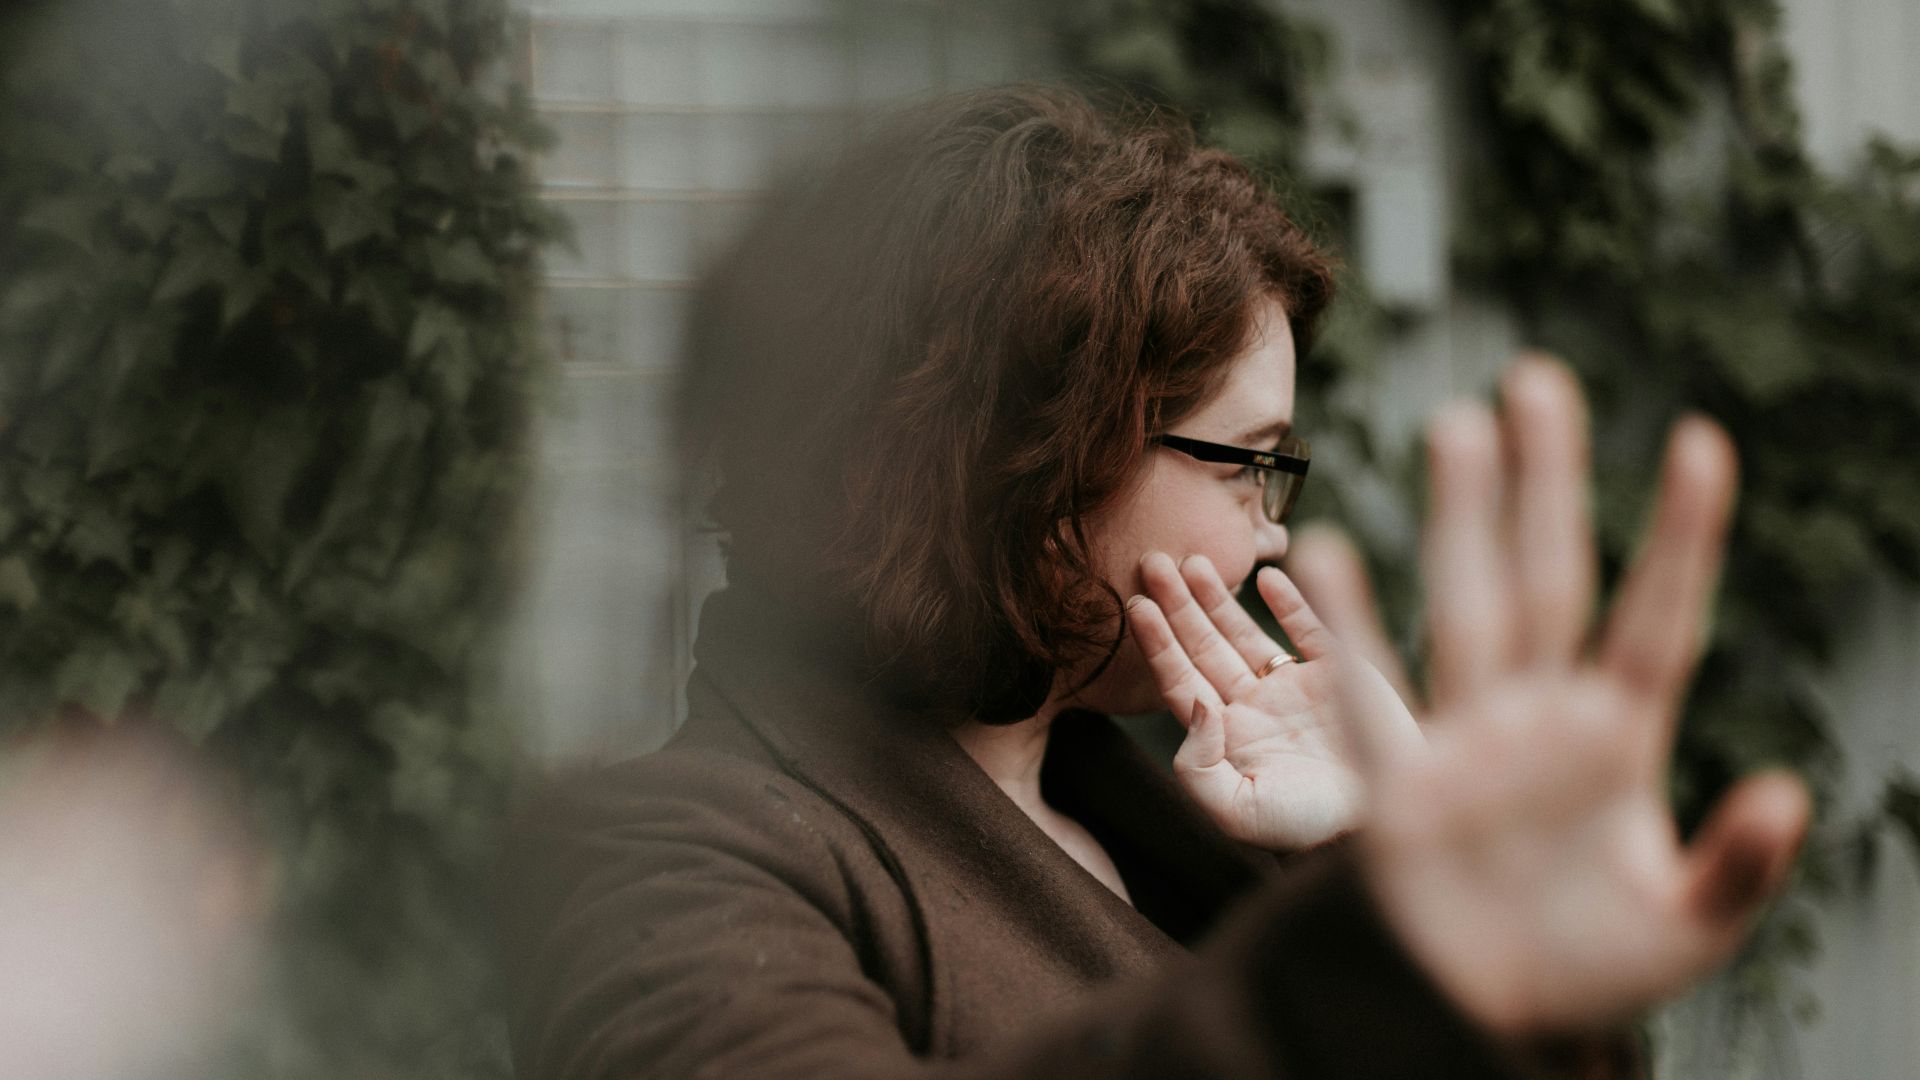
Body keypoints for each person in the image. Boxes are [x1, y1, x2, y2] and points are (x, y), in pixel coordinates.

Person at [500, 85, 1810, 1079]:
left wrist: (1402, 859)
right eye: (1244, 463)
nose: (1274, 533)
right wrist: (1389, 942)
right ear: (1015, 456)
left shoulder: (1175, 824)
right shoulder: (664, 873)